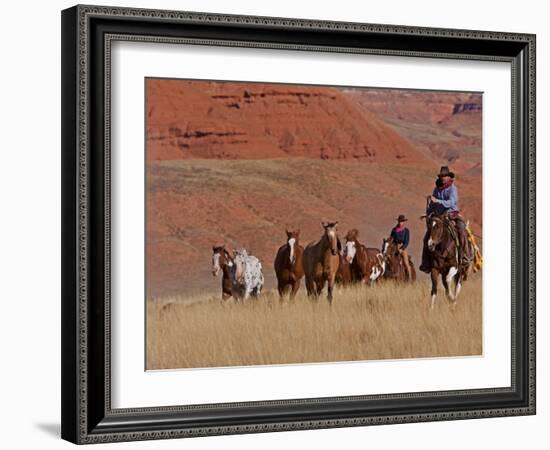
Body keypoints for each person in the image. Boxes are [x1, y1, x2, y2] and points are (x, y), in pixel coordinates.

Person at [419, 166, 469, 273]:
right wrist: (428, 214)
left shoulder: (453, 189)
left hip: (452, 215)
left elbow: (452, 202)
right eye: (441, 176)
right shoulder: (436, 189)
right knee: (427, 237)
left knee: (461, 229)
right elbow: (432, 204)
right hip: (438, 217)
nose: (443, 178)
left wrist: (438, 201)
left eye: (444, 176)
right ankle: (426, 263)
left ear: (449, 177)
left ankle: (465, 255)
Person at [390, 214, 412, 281]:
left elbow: (407, 241)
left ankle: (410, 278)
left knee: (406, 262)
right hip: (395, 246)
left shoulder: (406, 231)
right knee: (389, 259)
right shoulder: (394, 230)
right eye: (400, 221)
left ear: (404, 222)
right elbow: (391, 238)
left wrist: (402, 249)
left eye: (402, 221)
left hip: (403, 247)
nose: (401, 223)